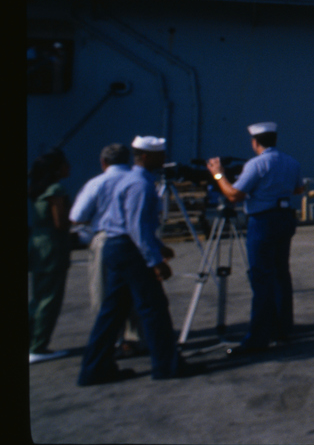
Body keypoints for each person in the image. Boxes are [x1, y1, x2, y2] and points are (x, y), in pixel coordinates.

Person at [78, 136, 199, 384]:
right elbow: (137, 228)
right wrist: (155, 261)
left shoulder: (130, 180)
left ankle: (94, 367)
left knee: (113, 311)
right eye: (159, 155)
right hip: (129, 250)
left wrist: (159, 247)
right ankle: (166, 365)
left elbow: (131, 223)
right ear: (145, 157)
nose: (164, 159)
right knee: (153, 308)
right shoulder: (139, 185)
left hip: (118, 247)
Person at [207, 122, 303, 357]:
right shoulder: (291, 162)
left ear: (255, 142)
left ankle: (258, 337)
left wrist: (217, 174)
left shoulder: (256, 164)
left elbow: (234, 194)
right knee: (281, 274)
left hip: (263, 221)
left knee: (261, 278)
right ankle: (283, 329)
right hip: (284, 218)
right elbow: (298, 189)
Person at [69, 143, 143, 355]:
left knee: (104, 291)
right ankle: (135, 336)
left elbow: (78, 216)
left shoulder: (96, 183)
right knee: (136, 290)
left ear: (103, 163)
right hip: (135, 239)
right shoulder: (136, 180)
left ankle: (111, 339)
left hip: (105, 240)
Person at [29, 149, 73, 363]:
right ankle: (39, 346)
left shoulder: (39, 188)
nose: (69, 167)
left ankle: (32, 342)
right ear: (56, 169)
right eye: (65, 164)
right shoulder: (56, 189)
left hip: (38, 245)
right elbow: (60, 223)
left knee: (38, 296)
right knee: (50, 299)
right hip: (53, 248)